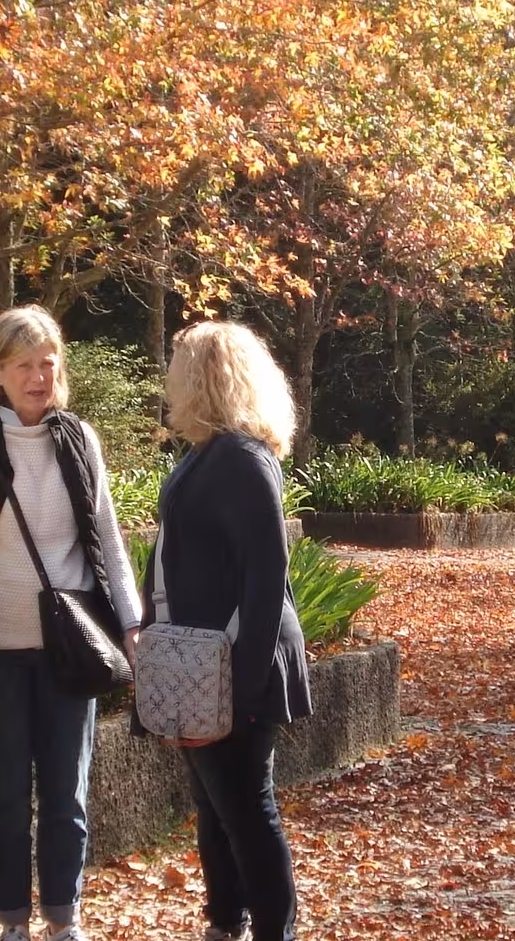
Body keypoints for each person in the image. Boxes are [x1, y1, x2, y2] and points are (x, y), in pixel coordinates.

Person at [0, 306, 142, 941]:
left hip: (70, 647)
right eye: (24, 365)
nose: (40, 376)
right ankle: (13, 920)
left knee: (67, 795)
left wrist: (132, 625)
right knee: (6, 796)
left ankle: (63, 919)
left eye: (48, 362)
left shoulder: (78, 439)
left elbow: (106, 539)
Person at [152, 321, 312, 941]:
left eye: (178, 365)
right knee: (215, 806)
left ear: (202, 377)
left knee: (247, 807)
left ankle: (273, 930)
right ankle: (226, 921)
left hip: (235, 661)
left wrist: (243, 686)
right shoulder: (209, 452)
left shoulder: (241, 459)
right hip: (203, 662)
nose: (169, 378)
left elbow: (266, 575)